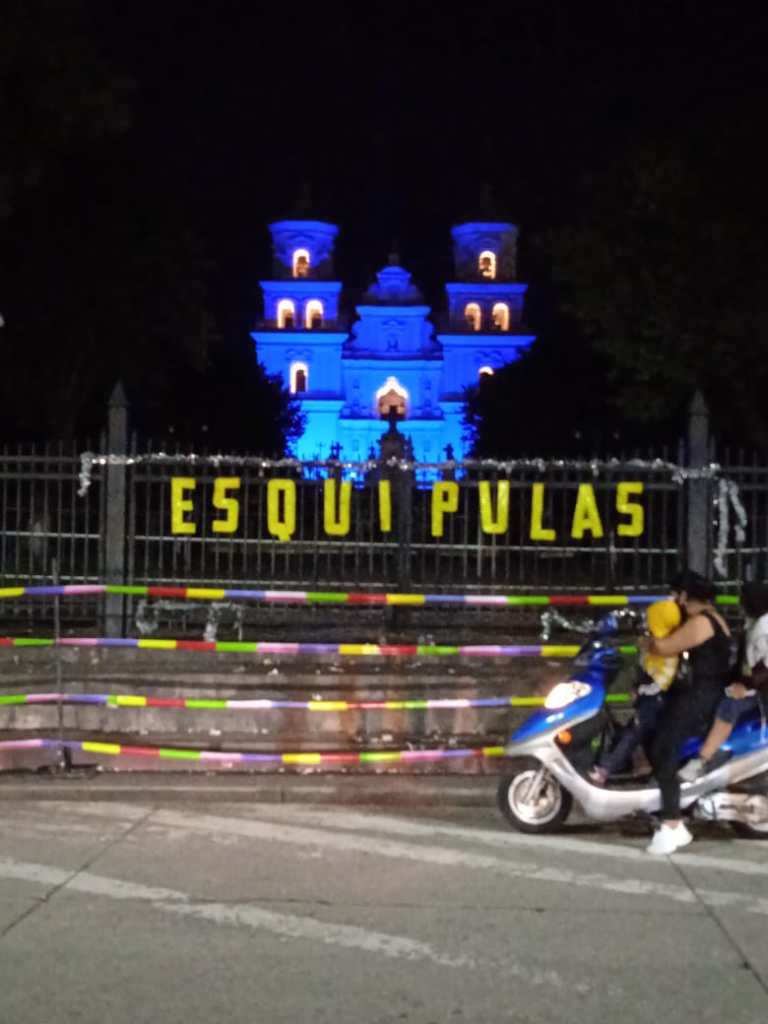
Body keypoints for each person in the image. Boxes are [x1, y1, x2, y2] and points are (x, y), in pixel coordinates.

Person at [645, 570, 731, 855]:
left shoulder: (702, 623)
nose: (673, 601)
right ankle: (674, 821)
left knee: (665, 749)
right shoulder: (712, 619)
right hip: (698, 693)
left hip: (699, 696)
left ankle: (670, 824)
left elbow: (665, 646)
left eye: (675, 594)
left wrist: (647, 641)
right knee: (658, 742)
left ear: (685, 596)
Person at [679, 581, 768, 781]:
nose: (740, 602)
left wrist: (746, 687)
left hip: (762, 689)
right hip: (754, 683)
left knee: (729, 706)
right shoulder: (754, 623)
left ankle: (701, 760)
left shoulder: (765, 628)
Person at [588, 599, 681, 785]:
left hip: (655, 698)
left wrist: (641, 689)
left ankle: (607, 769)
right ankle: (636, 765)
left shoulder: (669, 649)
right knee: (637, 732)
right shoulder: (657, 643)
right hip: (648, 695)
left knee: (634, 733)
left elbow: (662, 682)